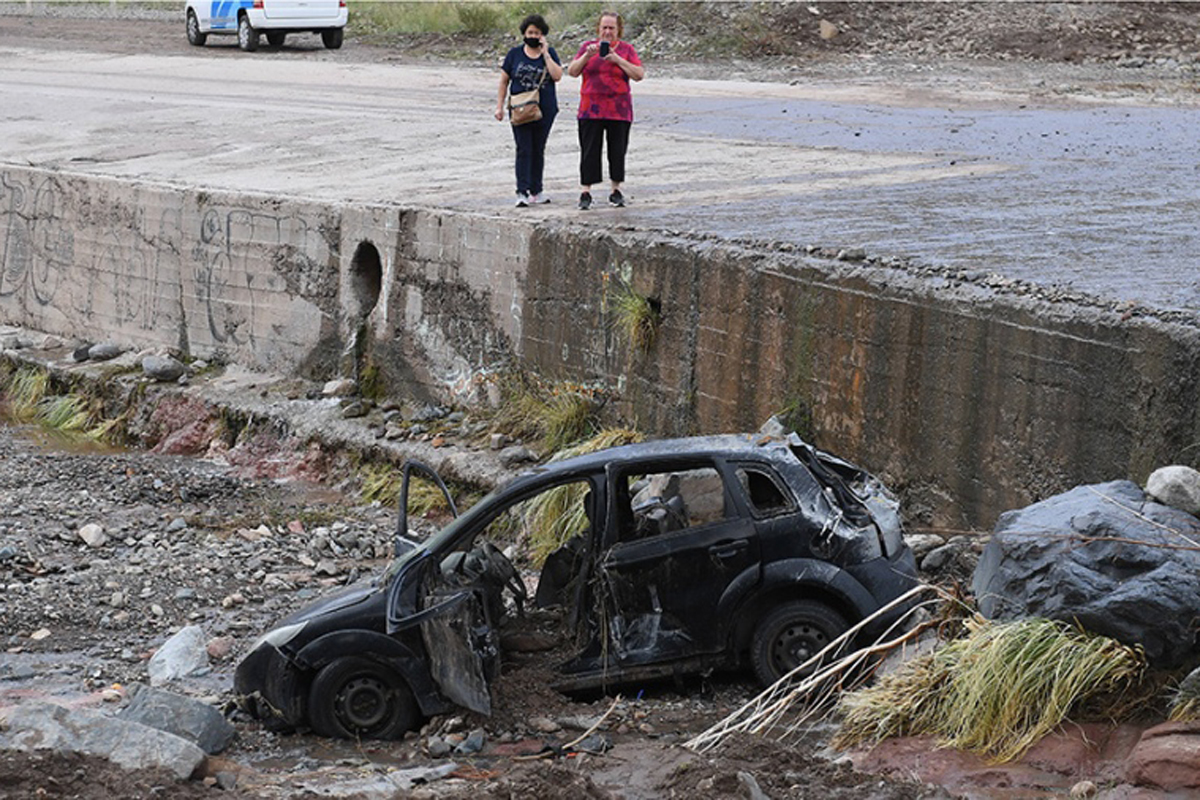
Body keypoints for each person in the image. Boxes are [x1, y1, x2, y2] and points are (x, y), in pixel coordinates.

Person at [567, 10, 645, 210]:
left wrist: (617, 59)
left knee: (617, 150)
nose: (608, 32)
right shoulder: (587, 47)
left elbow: (639, 75)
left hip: (619, 110)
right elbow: (572, 71)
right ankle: (586, 191)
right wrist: (587, 56)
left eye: (612, 28)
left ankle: (615, 190)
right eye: (604, 27)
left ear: (619, 30)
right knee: (589, 150)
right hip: (590, 109)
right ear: (598, 29)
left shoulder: (626, 50)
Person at [495, 14, 563, 207]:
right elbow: (503, 81)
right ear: (524, 33)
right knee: (524, 149)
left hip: (545, 109)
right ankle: (521, 191)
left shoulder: (550, 53)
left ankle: (536, 190)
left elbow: (557, 76)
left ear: (543, 35)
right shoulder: (514, 54)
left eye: (537, 33)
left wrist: (546, 53)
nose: (533, 35)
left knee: (538, 149)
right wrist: (499, 107)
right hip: (520, 109)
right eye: (530, 32)